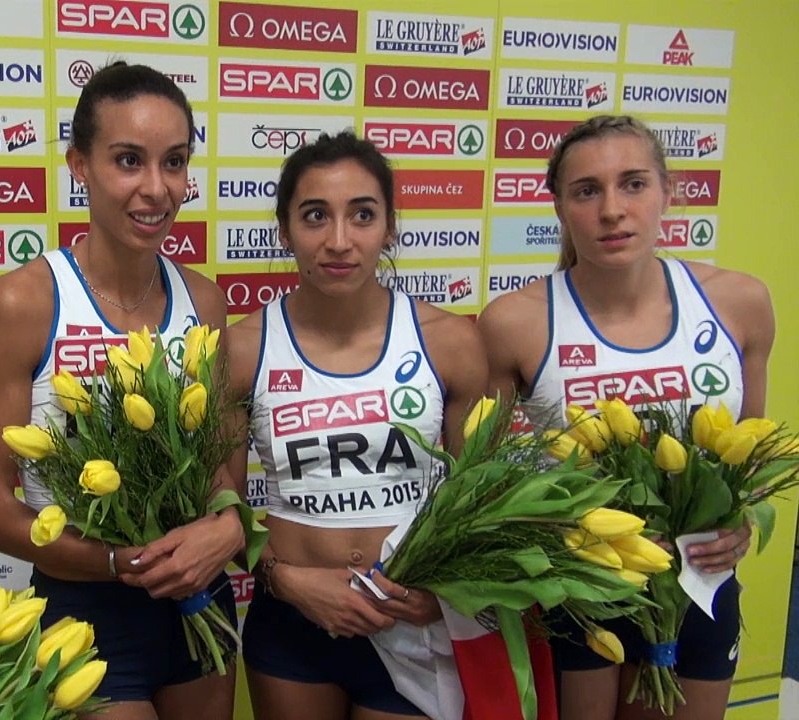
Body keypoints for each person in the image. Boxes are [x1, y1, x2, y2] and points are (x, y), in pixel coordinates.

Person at [0, 62, 245, 720]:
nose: (156, 189)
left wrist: (228, 527)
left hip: (199, 603)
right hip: (83, 610)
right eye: (128, 161)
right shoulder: (25, 301)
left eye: (174, 162)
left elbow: (221, 474)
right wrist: (118, 562)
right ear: (79, 165)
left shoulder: (203, 300)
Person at [479, 114, 774, 720]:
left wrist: (741, 525)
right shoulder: (514, 322)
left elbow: (750, 460)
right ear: (559, 207)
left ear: (669, 191)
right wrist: (577, 538)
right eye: (587, 191)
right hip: (578, 597)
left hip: (699, 589)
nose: (612, 210)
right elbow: (489, 485)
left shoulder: (739, 302)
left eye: (633, 184)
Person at [228, 131, 487, 720]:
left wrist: (444, 594)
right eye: (315, 215)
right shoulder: (242, 348)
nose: (339, 240)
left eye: (363, 215)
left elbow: (481, 500)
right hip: (292, 627)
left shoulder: (450, 342)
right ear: (285, 229)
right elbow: (222, 508)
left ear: (390, 226)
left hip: (411, 622)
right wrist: (287, 582)